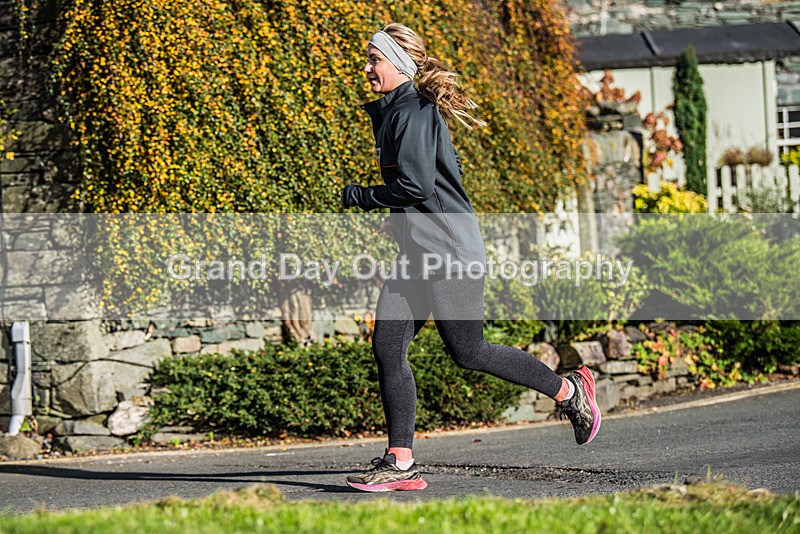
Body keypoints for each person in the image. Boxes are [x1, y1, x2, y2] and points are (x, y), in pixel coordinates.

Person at [340, 23, 600, 493]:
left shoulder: (413, 111)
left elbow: (416, 185)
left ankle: (569, 390)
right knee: (387, 346)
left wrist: (361, 196)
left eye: (374, 59)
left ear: (398, 63)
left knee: (469, 351)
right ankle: (400, 462)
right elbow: (440, 177)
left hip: (449, 254)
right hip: (418, 252)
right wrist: (403, 221)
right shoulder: (399, 111)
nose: (366, 68)